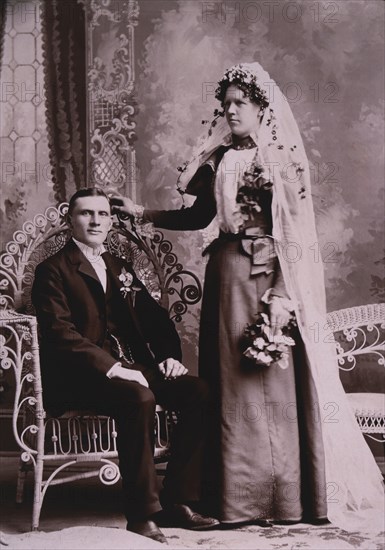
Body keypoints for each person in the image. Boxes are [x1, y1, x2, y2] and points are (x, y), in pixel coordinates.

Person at [112, 63, 384, 532]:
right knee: (228, 387)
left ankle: (280, 496)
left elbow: (292, 234)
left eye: (241, 102)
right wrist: (142, 212)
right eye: (227, 103)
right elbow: (199, 218)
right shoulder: (219, 158)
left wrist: (281, 296)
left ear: (262, 108)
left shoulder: (278, 160)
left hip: (265, 277)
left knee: (266, 381)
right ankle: (229, 497)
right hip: (224, 275)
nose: (231, 110)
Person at [31, 187, 220, 544]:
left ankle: (178, 499)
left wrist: (168, 357)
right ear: (69, 220)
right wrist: (114, 368)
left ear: (111, 221)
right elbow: (60, 334)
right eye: (86, 213)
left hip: (134, 367)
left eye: (102, 214)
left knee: (198, 391)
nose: (96, 220)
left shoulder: (119, 266)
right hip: (82, 376)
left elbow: (155, 319)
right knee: (139, 398)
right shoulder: (52, 271)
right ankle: (142, 514)